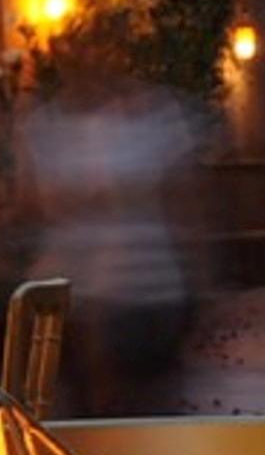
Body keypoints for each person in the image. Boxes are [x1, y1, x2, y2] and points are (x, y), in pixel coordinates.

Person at [15, 72, 197, 416]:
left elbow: (185, 203)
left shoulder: (152, 118)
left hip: (138, 293)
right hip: (85, 297)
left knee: (133, 414)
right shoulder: (47, 128)